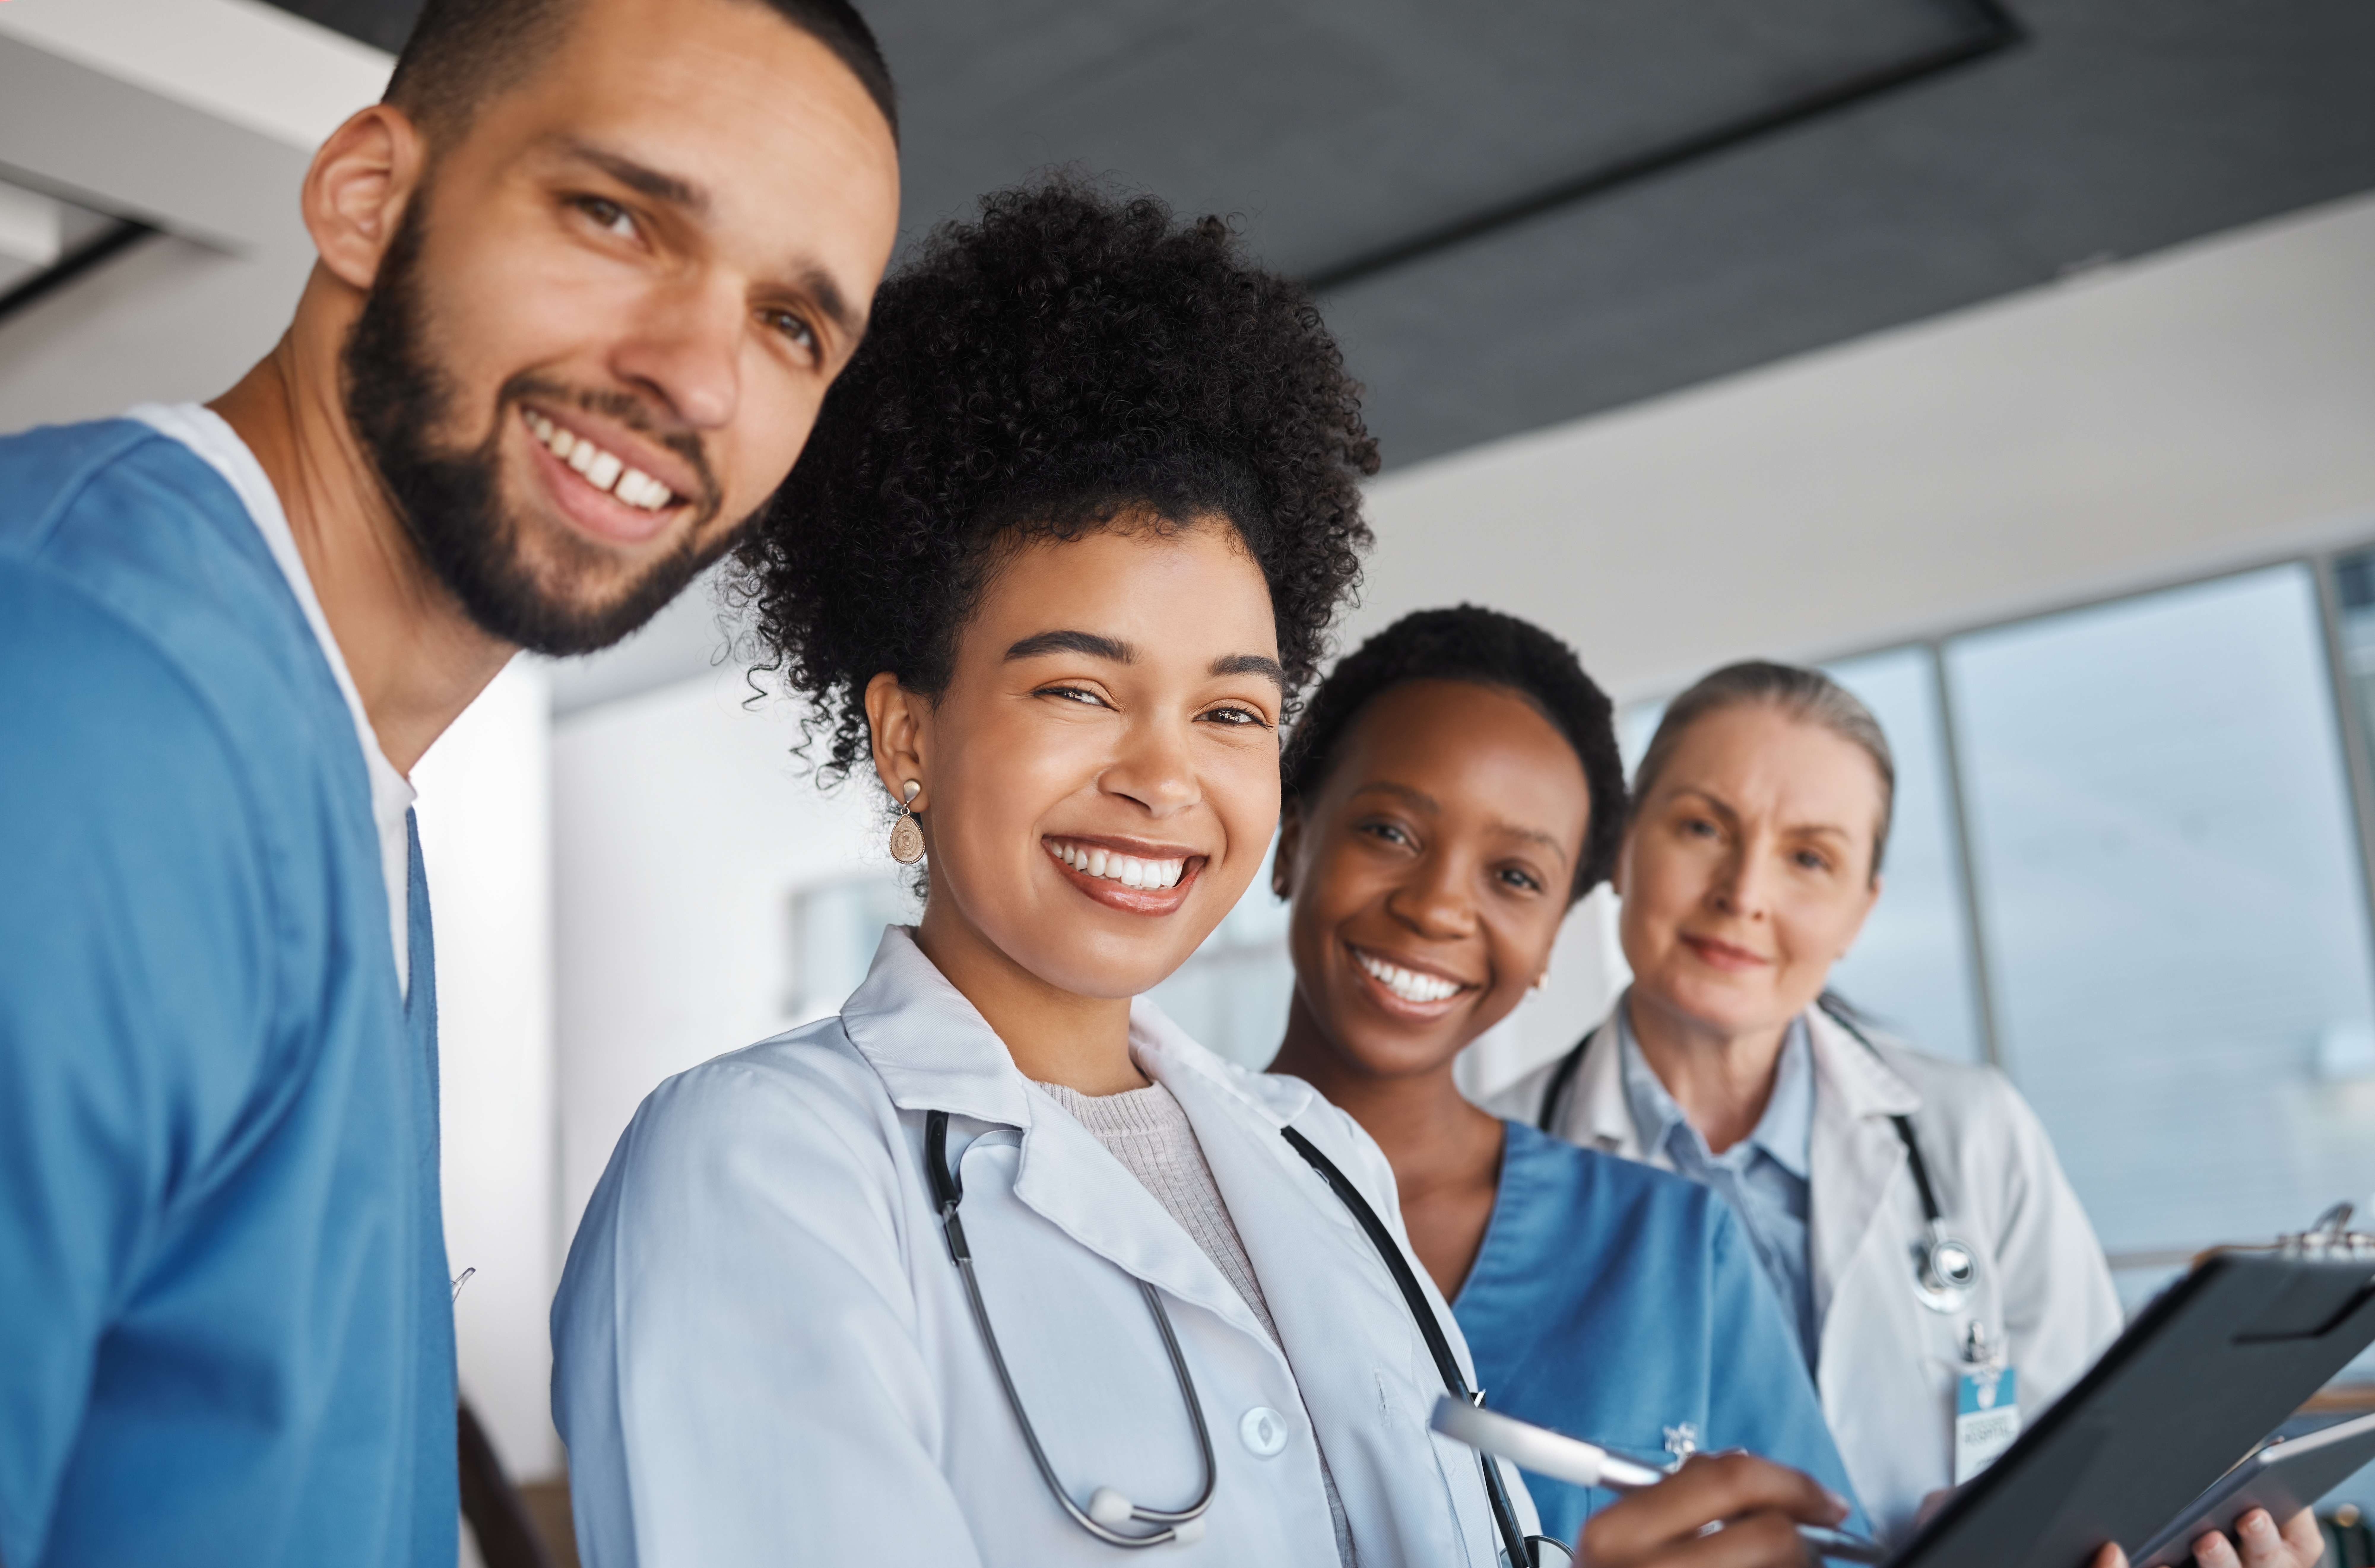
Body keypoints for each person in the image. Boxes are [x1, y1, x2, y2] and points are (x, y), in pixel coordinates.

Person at [551, 181, 1850, 1568]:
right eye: (1077, 689)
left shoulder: (1314, 1159)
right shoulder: (760, 1162)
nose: (1166, 779)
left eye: (1232, 713)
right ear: (909, 730)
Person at [0, 0, 899, 1561]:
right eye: (617, 216)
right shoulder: (78, 695)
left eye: (791, 327)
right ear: (369, 197)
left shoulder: (337, 776)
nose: (696, 376)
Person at [1492, 660, 2325, 1568]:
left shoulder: (1973, 1132)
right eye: (1701, 826)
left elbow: (2100, 1480)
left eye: (1809, 857)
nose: (1745, 893)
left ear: (1859, 911)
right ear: (1621, 843)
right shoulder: (1485, 1169)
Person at [1265, 606, 1868, 1551]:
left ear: (1552, 936)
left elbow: (1829, 1549)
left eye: (1514, 876)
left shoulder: (1672, 1248)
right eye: (1388, 830)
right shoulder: (1127, 1197)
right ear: (1290, 836)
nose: (1434, 908)